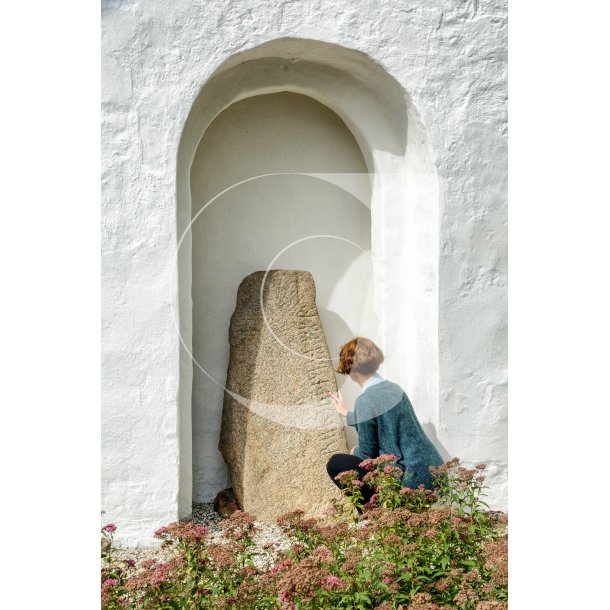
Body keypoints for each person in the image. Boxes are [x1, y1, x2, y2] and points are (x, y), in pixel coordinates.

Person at [326, 337, 443, 507]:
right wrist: (347, 413)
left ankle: (374, 518)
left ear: (350, 368)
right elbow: (384, 422)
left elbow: (367, 455)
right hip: (433, 471)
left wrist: (354, 451)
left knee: (336, 463)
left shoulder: (365, 401)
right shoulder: (394, 388)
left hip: (410, 481)